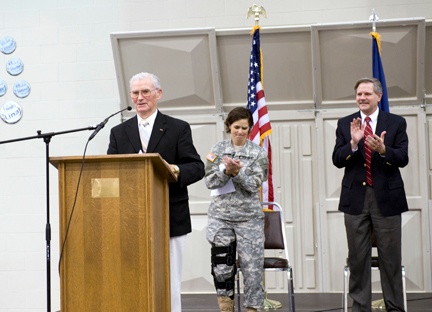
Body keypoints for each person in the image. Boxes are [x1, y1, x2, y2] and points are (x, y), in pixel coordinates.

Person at [107, 72, 205, 312]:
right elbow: (110, 172)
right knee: (133, 279)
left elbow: (197, 167)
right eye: (135, 93)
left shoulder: (178, 128)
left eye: (145, 92)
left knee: (169, 280)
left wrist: (174, 169)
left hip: (170, 217)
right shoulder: (119, 132)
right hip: (131, 219)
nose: (139, 97)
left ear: (158, 94)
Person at [332, 77, 408, 311]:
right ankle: (359, 308)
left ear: (378, 96)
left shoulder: (395, 122)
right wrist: (353, 145)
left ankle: (394, 307)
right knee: (357, 259)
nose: (362, 98)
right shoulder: (346, 123)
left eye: (367, 94)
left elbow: (403, 159)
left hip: (387, 198)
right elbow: (337, 160)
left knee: (391, 259)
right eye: (359, 95)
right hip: (355, 200)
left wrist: (383, 150)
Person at [204, 107, 268, 312]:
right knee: (222, 267)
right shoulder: (217, 149)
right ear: (228, 127)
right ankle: (225, 307)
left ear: (249, 129)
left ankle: (253, 308)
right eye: (236, 127)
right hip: (221, 218)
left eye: (244, 128)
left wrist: (236, 173)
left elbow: (254, 185)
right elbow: (210, 181)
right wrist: (225, 171)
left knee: (252, 269)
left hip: (248, 219)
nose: (240, 131)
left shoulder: (258, 153)